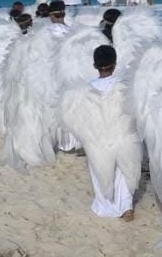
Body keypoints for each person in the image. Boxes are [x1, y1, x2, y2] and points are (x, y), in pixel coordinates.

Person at [60, 45, 141, 221]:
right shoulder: (125, 86)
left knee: (100, 173)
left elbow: (77, 121)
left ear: (95, 66)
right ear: (115, 63)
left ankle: (105, 206)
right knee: (123, 172)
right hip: (123, 136)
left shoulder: (85, 90)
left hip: (97, 141)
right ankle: (126, 207)